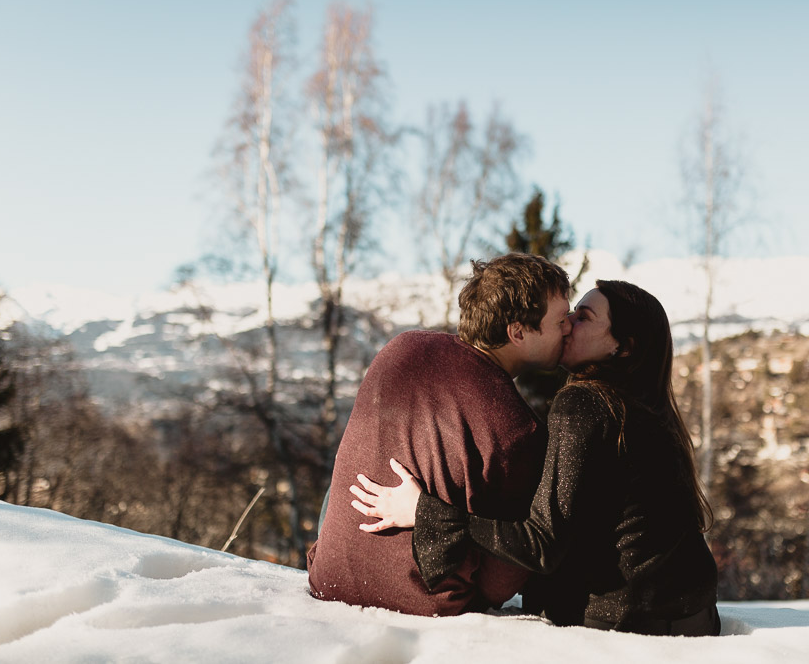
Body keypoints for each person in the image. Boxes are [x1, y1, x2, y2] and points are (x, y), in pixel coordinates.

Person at [350, 280, 721, 636]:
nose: (567, 325)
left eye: (584, 317)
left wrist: (423, 511)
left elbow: (542, 545)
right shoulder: (648, 413)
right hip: (696, 618)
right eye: (571, 313)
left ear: (622, 347)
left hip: (625, 627)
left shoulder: (584, 405)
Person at [307, 253, 571, 617]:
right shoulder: (519, 430)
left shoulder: (400, 350)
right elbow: (500, 582)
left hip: (327, 577)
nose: (569, 327)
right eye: (561, 320)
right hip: (425, 606)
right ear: (519, 332)